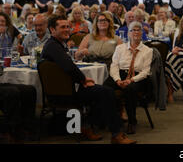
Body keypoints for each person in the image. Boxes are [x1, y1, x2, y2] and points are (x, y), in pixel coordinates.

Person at [40, 15, 136, 144]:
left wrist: (82, 80)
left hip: (66, 90)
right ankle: (116, 134)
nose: (67, 29)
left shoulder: (57, 44)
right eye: (62, 27)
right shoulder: (53, 46)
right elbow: (69, 67)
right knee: (106, 92)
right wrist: (83, 80)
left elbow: (68, 66)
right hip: (63, 94)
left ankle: (87, 126)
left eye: (68, 27)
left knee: (102, 91)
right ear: (52, 30)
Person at [104, 21, 153, 134]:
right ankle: (109, 119)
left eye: (138, 30)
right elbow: (114, 66)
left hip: (138, 77)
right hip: (120, 74)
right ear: (128, 33)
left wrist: (131, 80)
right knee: (105, 87)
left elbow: (146, 72)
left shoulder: (148, 50)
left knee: (130, 89)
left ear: (142, 33)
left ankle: (132, 121)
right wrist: (117, 80)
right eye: (132, 30)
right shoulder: (120, 48)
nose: (135, 32)